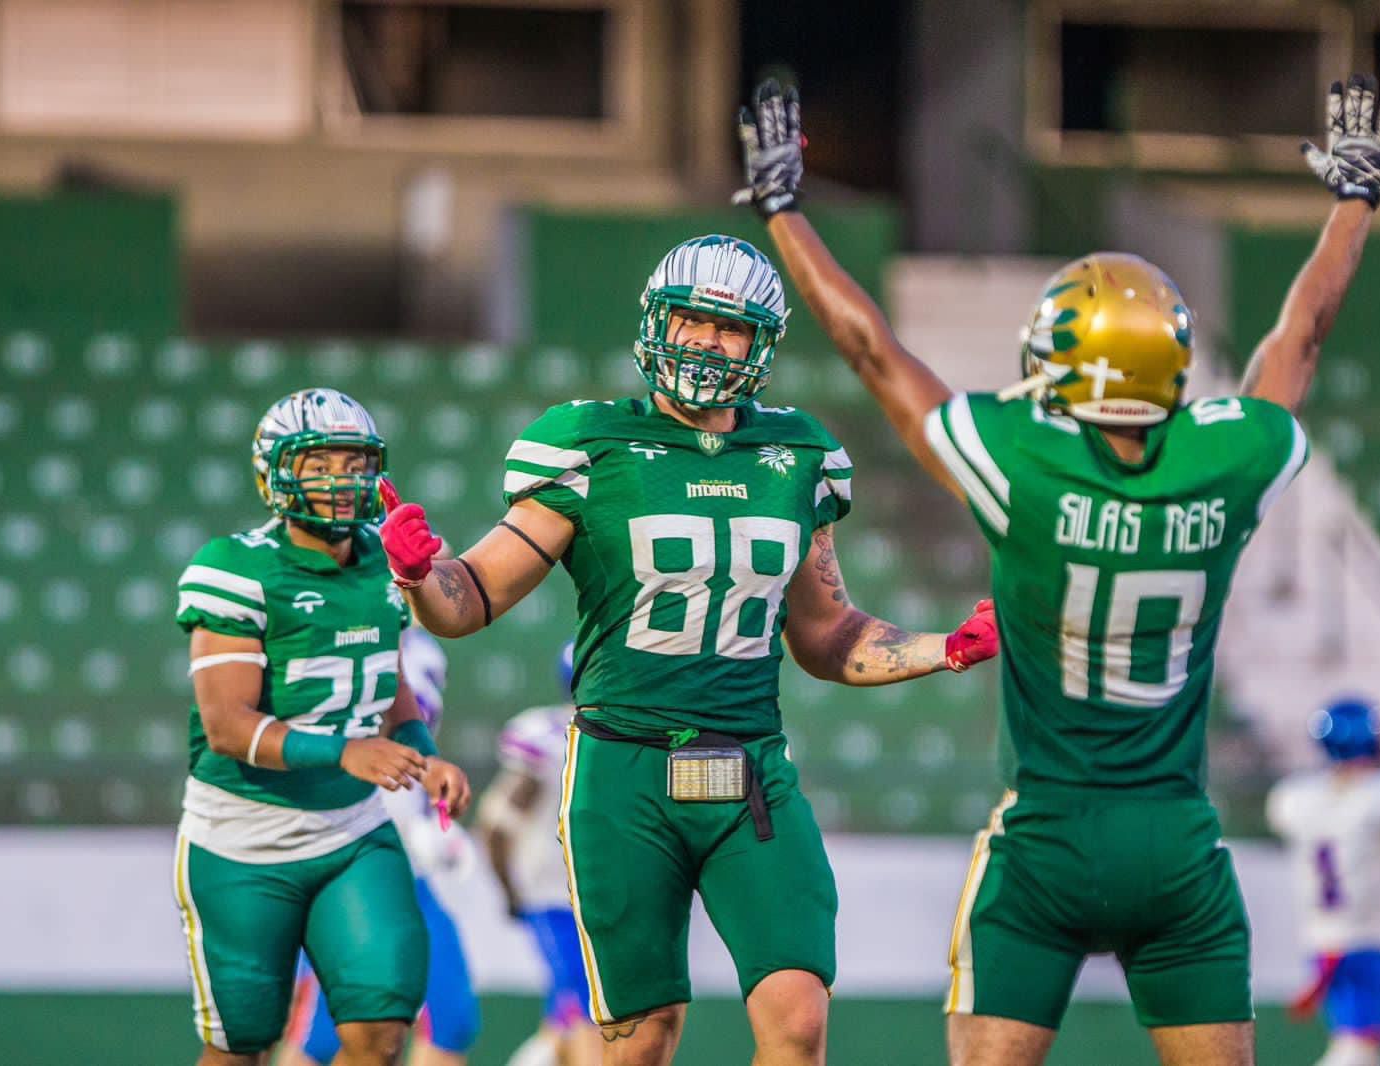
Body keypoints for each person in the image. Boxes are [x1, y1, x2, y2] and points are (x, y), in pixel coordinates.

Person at [734, 73, 1380, 1066]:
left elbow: (872, 350)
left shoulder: (1024, 463)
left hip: (1042, 835)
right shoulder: (1226, 458)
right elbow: (1295, 339)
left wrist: (783, 209)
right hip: (1176, 839)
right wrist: (1353, 199)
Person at [376, 233, 1000, 1066]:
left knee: (799, 1017)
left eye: (730, 327)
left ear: (762, 343)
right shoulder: (591, 445)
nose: (707, 341)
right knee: (640, 1042)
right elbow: (470, 600)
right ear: (655, 325)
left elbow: (829, 633)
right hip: (623, 771)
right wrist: (423, 575)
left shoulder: (798, 455)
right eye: (691, 320)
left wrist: (941, 649)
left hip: (749, 769)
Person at [172, 387, 472, 1066]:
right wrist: (345, 751)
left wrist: (424, 758)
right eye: (320, 461)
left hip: (351, 832)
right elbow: (225, 726)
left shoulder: (381, 560)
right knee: (243, 1045)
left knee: (382, 1030)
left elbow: (388, 686)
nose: (343, 478)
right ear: (277, 471)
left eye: (355, 460)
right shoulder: (235, 567)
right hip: (243, 838)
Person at [276, 626, 483, 1066]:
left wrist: (429, 819)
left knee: (450, 1018)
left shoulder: (424, 647)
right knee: (330, 1029)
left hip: (410, 865)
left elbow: (412, 740)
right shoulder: (333, 633)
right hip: (347, 854)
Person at [1267, 697, 1380, 1066]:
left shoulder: (1295, 797)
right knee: (1360, 1050)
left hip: (1320, 938)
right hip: (1366, 938)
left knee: (1366, 1049)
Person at [476, 640, 600, 1066]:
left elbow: (494, 828)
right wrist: (511, 890)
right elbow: (495, 826)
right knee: (587, 1013)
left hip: (594, 898)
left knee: (573, 1012)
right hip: (557, 896)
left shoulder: (559, 733)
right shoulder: (548, 739)